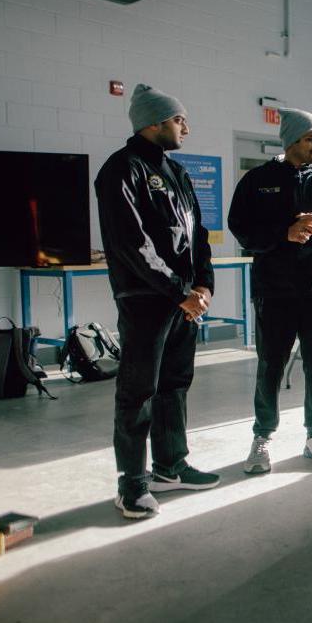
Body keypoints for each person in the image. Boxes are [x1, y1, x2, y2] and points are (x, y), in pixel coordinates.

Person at [95, 84, 218, 519]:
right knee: (138, 391)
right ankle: (132, 484)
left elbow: (198, 236)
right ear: (153, 122)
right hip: (147, 300)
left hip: (184, 301)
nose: (186, 125)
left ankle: (171, 466)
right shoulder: (120, 170)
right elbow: (132, 243)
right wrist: (179, 291)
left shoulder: (177, 172)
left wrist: (203, 286)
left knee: (174, 386)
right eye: (178, 118)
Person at [228, 108, 312, 474]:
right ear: (290, 141)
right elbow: (241, 229)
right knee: (270, 366)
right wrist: (282, 234)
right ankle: (262, 438)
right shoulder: (258, 180)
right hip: (275, 291)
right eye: (309, 139)